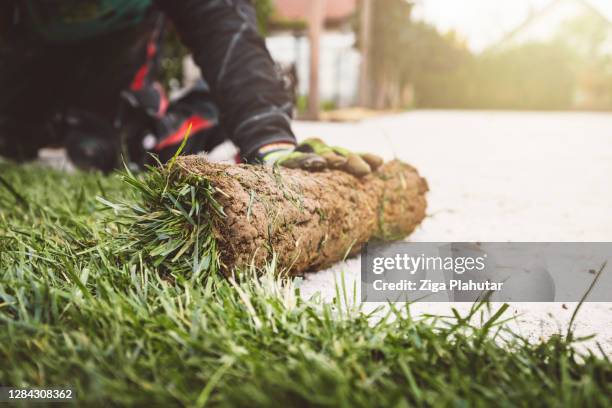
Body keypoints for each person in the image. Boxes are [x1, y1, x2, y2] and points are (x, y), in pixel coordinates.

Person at [0, 0, 380, 176]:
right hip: (17, 96)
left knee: (115, 149)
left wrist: (271, 141)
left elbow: (226, 28)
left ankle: (199, 112)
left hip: (110, 101)